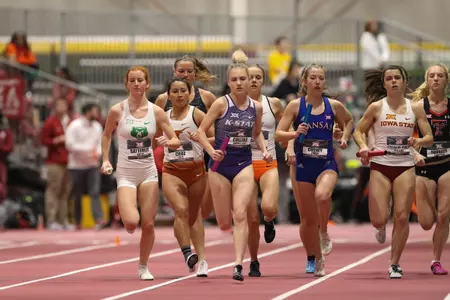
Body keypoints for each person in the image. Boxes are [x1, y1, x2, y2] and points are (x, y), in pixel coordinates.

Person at [197, 50, 272, 281]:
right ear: (229, 82)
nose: (239, 83)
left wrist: (265, 149)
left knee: (241, 214)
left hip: (243, 163)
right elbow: (200, 132)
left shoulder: (256, 108)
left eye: (243, 79)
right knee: (223, 221)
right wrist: (211, 151)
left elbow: (257, 133)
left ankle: (238, 264)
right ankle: (229, 239)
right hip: (219, 167)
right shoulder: (221, 104)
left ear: (250, 81)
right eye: (235, 80)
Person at [353, 65, 433, 278]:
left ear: (405, 82)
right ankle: (380, 225)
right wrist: (363, 147)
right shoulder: (376, 108)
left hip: (404, 166)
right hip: (380, 165)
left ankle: (394, 262)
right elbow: (358, 131)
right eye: (389, 78)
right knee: (379, 219)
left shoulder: (415, 108)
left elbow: (429, 137)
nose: (394, 81)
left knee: (401, 216)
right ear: (384, 83)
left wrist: (418, 142)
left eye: (398, 77)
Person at [100, 66, 180, 280]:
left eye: (140, 80)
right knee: (131, 222)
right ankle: (129, 222)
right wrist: (106, 159)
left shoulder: (157, 112)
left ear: (147, 84)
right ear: (126, 84)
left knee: (148, 223)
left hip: (148, 172)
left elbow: (176, 140)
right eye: (132, 80)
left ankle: (143, 266)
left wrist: (168, 141)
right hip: (126, 172)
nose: (136, 84)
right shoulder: (117, 110)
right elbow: (106, 134)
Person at [275, 63, 354, 277]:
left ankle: (325, 231)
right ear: (305, 82)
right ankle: (317, 259)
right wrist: (294, 134)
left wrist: (344, 137)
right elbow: (278, 134)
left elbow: (348, 121)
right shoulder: (295, 106)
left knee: (322, 194)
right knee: (308, 220)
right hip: (303, 165)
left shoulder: (333, 105)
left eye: (321, 77)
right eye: (313, 78)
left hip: (326, 163)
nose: (318, 81)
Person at [154, 55, 217, 276]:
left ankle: (201, 257)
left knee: (199, 213)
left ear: (194, 73)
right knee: (181, 211)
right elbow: (152, 134)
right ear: (174, 72)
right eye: (181, 71)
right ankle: (191, 255)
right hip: (173, 168)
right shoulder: (162, 102)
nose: (185, 75)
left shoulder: (205, 99)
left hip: (200, 164)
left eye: (189, 71)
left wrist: (200, 140)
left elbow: (216, 134)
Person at [409, 64, 450, 275]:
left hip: (447, 165)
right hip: (424, 166)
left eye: (440, 75)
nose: (436, 79)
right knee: (426, 222)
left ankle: (436, 260)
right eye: (432, 76)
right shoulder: (417, 107)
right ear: (427, 79)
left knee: (444, 215)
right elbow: (404, 137)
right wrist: (414, 153)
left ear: (446, 80)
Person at [245, 64, 284, 277]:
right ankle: (254, 261)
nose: (253, 81)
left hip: (268, 162)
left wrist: (291, 146)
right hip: (245, 166)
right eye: (249, 77)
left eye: (257, 77)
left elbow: (287, 127)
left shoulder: (273, 104)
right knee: (251, 218)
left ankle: (269, 221)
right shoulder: (234, 105)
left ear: (262, 80)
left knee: (268, 208)